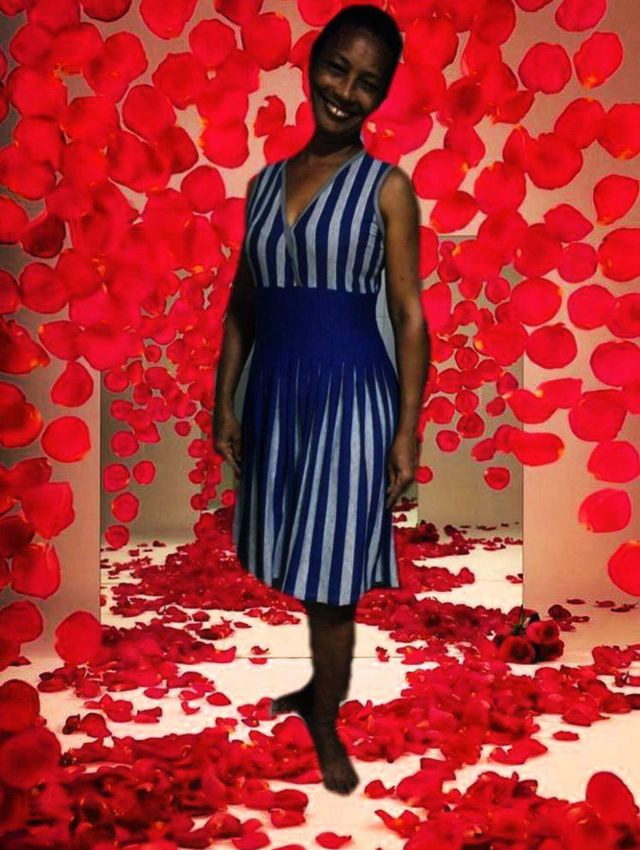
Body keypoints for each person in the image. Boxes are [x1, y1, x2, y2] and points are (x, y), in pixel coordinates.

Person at [214, 4, 430, 795]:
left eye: (367, 82)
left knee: (334, 577)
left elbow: (409, 317)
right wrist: (223, 402)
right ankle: (315, 691)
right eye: (338, 68)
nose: (345, 91)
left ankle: (326, 719)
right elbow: (244, 305)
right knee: (305, 562)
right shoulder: (262, 186)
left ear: (382, 95)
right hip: (278, 393)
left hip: (349, 398)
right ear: (313, 63)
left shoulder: (388, 189)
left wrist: (406, 432)